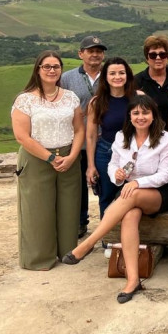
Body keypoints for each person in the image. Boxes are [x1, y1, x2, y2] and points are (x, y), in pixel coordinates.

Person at [63, 95, 168, 304]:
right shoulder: (120, 137)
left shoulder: (166, 139)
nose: (140, 117)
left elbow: (165, 175)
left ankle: (89, 243)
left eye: (145, 113)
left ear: (153, 115)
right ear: (130, 117)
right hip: (128, 193)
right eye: (136, 113)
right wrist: (116, 174)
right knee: (130, 216)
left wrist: (136, 183)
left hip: (158, 191)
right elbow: (113, 164)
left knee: (131, 194)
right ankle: (133, 280)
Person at [11, 51, 84, 270]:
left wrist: (72, 155)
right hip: (36, 159)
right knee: (37, 209)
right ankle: (39, 259)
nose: (52, 70)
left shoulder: (70, 97)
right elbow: (22, 136)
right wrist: (50, 157)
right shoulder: (25, 100)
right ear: (38, 69)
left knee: (69, 208)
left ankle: (67, 253)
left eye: (56, 66)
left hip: (69, 157)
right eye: (47, 66)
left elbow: (79, 129)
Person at [60, 35, 106, 237]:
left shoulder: (112, 74)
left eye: (99, 50)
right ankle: (80, 223)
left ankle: (108, 224)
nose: (95, 54)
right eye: (90, 50)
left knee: (107, 184)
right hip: (78, 141)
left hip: (106, 140)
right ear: (81, 54)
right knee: (77, 186)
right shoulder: (67, 78)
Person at [85, 57, 139, 219]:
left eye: (121, 73)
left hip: (134, 154)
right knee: (107, 197)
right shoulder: (97, 102)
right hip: (106, 152)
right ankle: (108, 239)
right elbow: (91, 135)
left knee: (132, 196)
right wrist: (91, 165)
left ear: (128, 75)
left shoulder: (138, 98)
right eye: (112, 73)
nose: (117, 77)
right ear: (105, 77)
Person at [134, 35, 168, 126]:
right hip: (147, 134)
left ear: (167, 57)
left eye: (162, 54)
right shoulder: (136, 81)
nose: (158, 58)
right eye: (153, 55)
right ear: (147, 58)